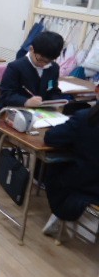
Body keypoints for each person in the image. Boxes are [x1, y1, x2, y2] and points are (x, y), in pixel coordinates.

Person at [41, 83, 99, 236]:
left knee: (54, 164)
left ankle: (59, 213)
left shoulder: (85, 118)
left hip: (86, 185)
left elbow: (51, 138)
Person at [0, 31, 64, 107]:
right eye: (40, 60)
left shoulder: (53, 68)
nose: (43, 64)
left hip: (42, 110)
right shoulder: (15, 67)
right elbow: (5, 94)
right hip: (16, 108)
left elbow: (52, 89)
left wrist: (55, 101)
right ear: (31, 49)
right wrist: (26, 102)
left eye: (48, 61)